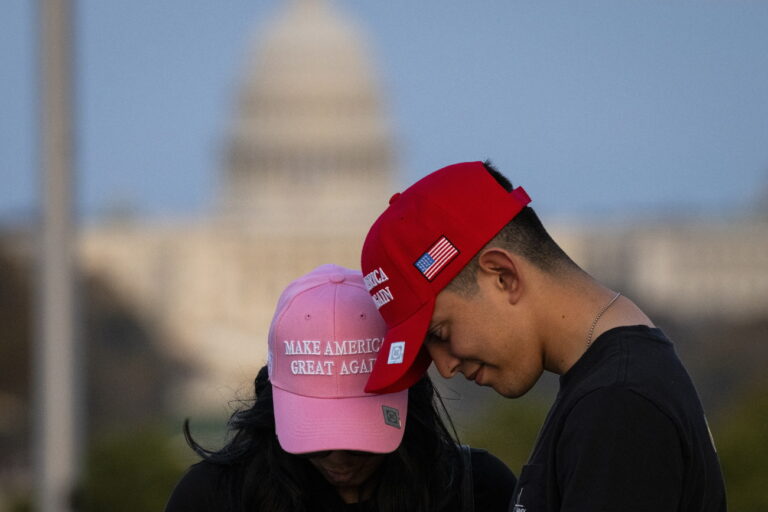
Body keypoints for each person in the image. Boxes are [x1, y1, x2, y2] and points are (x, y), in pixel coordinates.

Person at [359, 161, 726, 511]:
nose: (444, 365)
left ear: (503, 276)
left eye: (440, 333)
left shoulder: (617, 406)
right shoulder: (613, 386)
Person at [165, 264, 516, 512]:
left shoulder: (478, 490)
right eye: (316, 435)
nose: (339, 457)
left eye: (359, 436)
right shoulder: (212, 496)